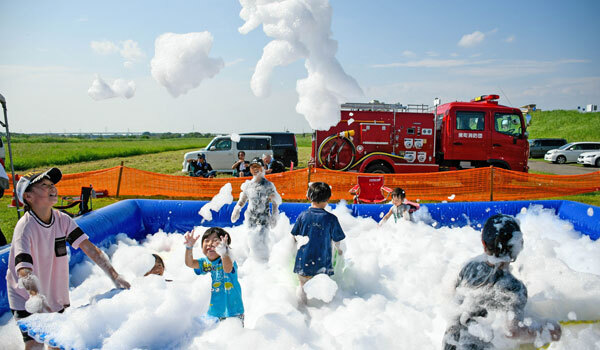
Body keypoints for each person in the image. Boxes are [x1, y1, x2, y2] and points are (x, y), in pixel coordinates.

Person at [6, 168, 131, 349]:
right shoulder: (25, 227)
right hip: (24, 296)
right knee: (34, 344)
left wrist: (114, 275)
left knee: (57, 342)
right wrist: (34, 295)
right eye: (44, 185)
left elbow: (90, 249)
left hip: (54, 293)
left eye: (52, 185)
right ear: (28, 197)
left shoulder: (62, 219)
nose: (52, 188)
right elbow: (23, 269)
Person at [442, 214, 562, 350]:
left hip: (451, 343)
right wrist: (546, 330)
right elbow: (512, 331)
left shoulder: (469, 267)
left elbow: (453, 300)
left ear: (483, 243)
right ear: (518, 246)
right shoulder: (515, 289)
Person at [291, 182, 346, 304]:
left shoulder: (303, 216)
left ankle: (302, 308)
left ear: (309, 197)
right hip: (322, 263)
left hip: (303, 261)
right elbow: (338, 240)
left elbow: (294, 236)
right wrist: (339, 250)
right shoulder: (331, 219)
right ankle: (324, 312)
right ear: (327, 199)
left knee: (302, 286)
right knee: (323, 290)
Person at [183, 227, 244, 324]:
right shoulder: (205, 262)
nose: (210, 244)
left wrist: (224, 253)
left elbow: (227, 269)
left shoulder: (229, 259)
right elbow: (189, 263)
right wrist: (189, 247)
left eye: (215, 241)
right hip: (215, 311)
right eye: (206, 241)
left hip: (233, 310)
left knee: (233, 337)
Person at [230, 157, 280, 261]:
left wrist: (275, 216)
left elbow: (275, 202)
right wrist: (237, 209)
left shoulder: (268, 185)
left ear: (263, 168)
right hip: (250, 218)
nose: (255, 169)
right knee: (250, 241)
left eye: (257, 167)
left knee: (262, 244)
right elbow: (243, 199)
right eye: (253, 167)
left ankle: (263, 263)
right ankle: (250, 262)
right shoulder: (248, 185)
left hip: (263, 220)